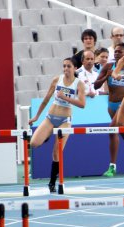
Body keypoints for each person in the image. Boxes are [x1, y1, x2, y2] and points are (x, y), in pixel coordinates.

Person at [28, 58, 86, 193]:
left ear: (75, 68)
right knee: (34, 143)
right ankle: (46, 135)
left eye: (69, 66)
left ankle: (52, 182)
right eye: (64, 66)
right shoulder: (56, 80)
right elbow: (46, 99)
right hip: (50, 117)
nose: (66, 69)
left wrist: (65, 97)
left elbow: (82, 104)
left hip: (65, 120)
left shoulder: (79, 84)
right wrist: (36, 117)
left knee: (56, 152)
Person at [94, 43, 124, 177]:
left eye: (120, 52)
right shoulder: (108, 67)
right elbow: (96, 86)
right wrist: (106, 76)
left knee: (112, 130)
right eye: (115, 52)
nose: (116, 54)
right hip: (112, 105)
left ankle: (112, 166)